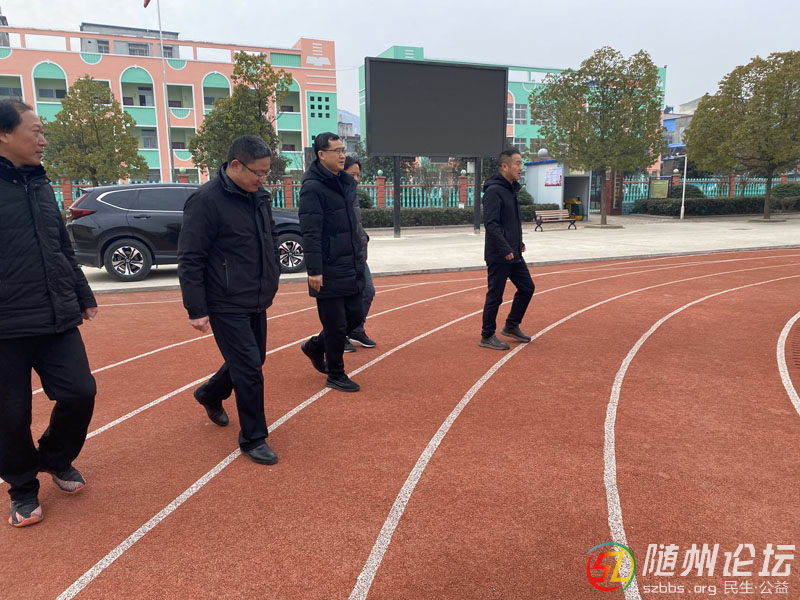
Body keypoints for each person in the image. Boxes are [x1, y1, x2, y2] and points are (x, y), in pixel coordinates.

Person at [0, 100, 98, 528]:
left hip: (56, 315)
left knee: (80, 392)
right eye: (36, 131)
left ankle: (55, 457)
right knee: (10, 414)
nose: (43, 140)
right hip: (5, 326)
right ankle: (22, 488)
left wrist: (82, 292)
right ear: (4, 134)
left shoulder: (40, 184)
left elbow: (61, 247)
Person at [177, 135, 281, 465]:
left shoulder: (258, 196)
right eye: (258, 172)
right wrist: (196, 308)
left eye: (266, 172)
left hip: (256, 295)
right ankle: (253, 438)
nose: (263, 179)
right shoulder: (205, 201)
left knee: (254, 359)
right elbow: (190, 257)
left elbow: (270, 236)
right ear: (235, 165)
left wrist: (274, 271)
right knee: (249, 369)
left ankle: (210, 393)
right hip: (224, 300)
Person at [298, 133, 364, 392]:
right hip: (327, 267)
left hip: (350, 262)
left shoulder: (345, 182)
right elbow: (311, 232)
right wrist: (314, 270)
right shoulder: (313, 188)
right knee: (336, 325)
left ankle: (315, 346)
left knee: (355, 316)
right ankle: (335, 374)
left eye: (343, 150)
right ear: (321, 154)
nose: (342, 155)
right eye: (336, 151)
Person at [479, 148, 535, 350]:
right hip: (499, 254)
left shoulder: (511, 189)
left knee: (527, 287)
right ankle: (487, 336)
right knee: (495, 295)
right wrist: (504, 248)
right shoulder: (494, 191)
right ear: (505, 166)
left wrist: (518, 242)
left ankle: (511, 325)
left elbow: (510, 222)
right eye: (517, 163)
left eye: (521, 163)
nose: (521, 167)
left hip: (514, 251)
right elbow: (491, 224)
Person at [342, 156, 376, 353]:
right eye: (351, 174)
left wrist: (363, 237)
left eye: (358, 175)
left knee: (368, 291)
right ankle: (339, 335)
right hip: (343, 255)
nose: (355, 178)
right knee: (344, 299)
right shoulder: (335, 194)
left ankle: (356, 329)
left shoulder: (353, 193)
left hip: (358, 253)